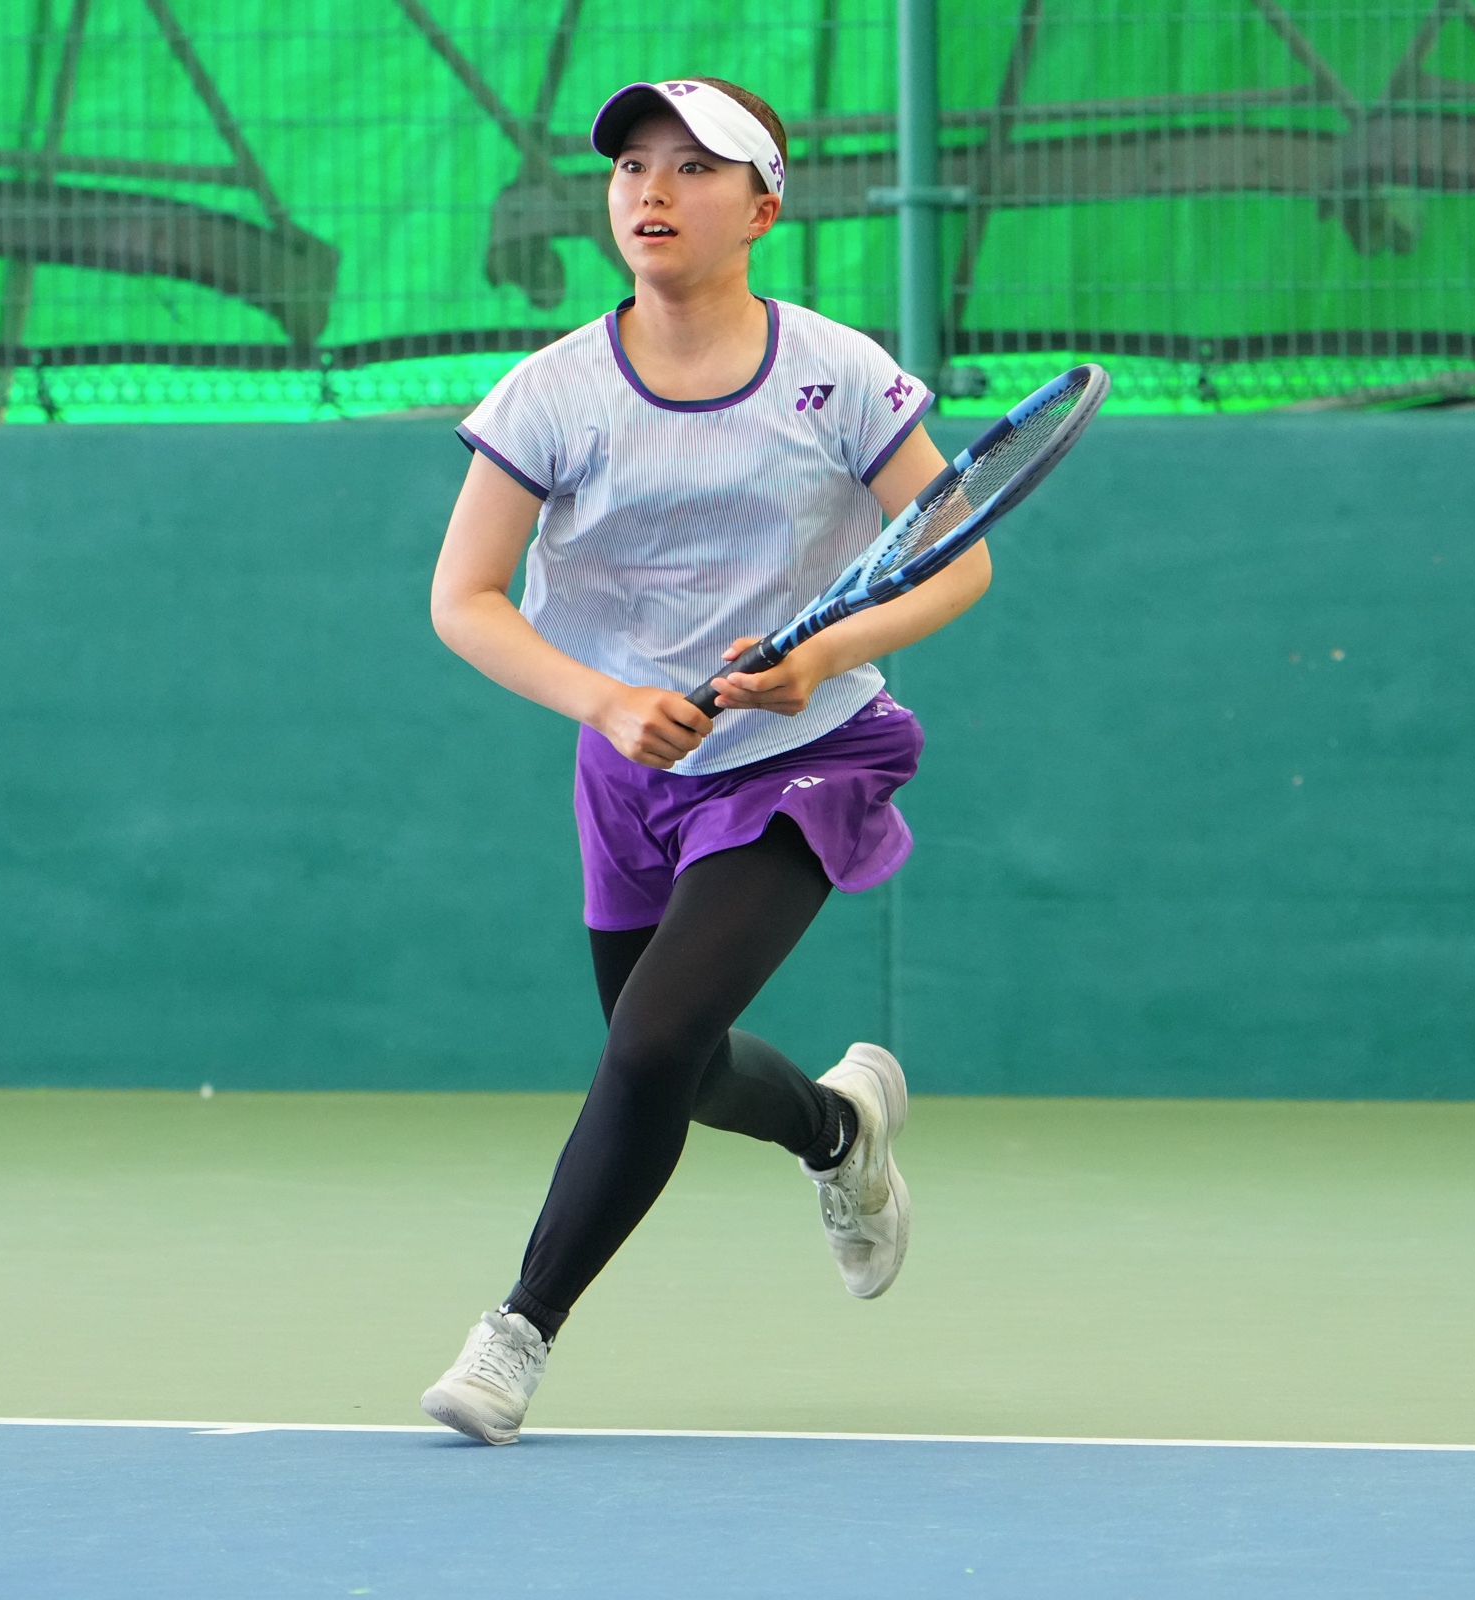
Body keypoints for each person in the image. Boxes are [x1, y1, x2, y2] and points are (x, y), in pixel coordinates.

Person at [420, 76, 992, 1446]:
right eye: (631, 166)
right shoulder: (553, 393)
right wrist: (608, 703)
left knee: (651, 1040)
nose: (652, 191)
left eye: (693, 167)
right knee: (666, 1055)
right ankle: (838, 1132)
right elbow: (465, 599)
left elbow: (960, 559)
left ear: (763, 207)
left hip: (808, 748)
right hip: (631, 773)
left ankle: (516, 1333)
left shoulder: (836, 375)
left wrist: (823, 652)